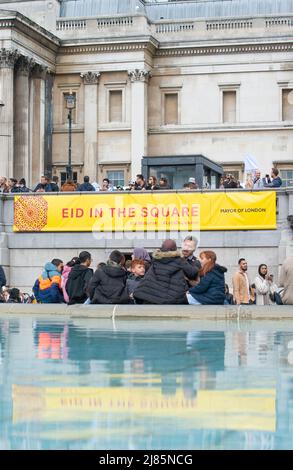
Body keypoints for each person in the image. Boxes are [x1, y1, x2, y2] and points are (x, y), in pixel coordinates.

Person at [133, 239, 199, 304]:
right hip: (174, 298)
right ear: (175, 249)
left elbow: (148, 278)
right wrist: (196, 266)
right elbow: (192, 273)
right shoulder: (179, 260)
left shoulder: (156, 259)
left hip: (155, 297)